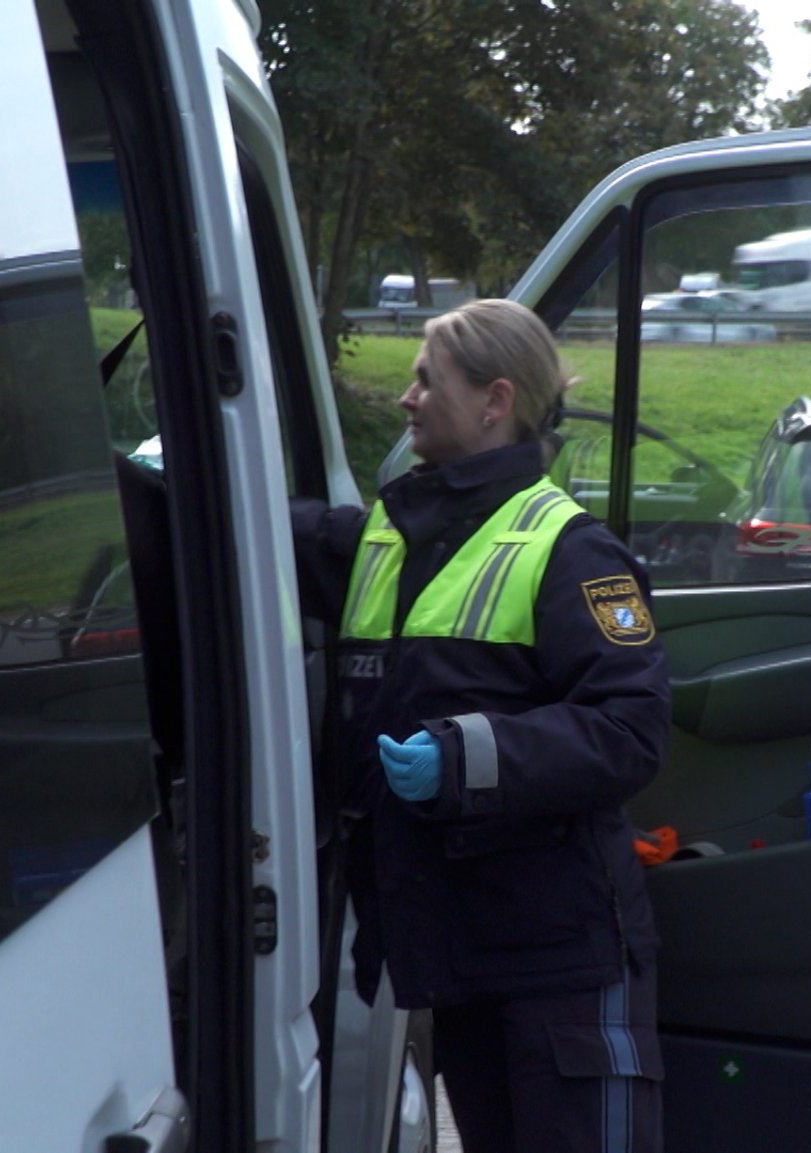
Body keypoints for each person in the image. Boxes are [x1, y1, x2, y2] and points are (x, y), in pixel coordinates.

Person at [292, 299, 670, 1153]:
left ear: (495, 400)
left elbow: (631, 727)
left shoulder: (569, 550)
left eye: (427, 378)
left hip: (564, 962)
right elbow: (247, 533)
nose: (406, 397)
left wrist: (465, 756)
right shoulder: (386, 541)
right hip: (462, 959)